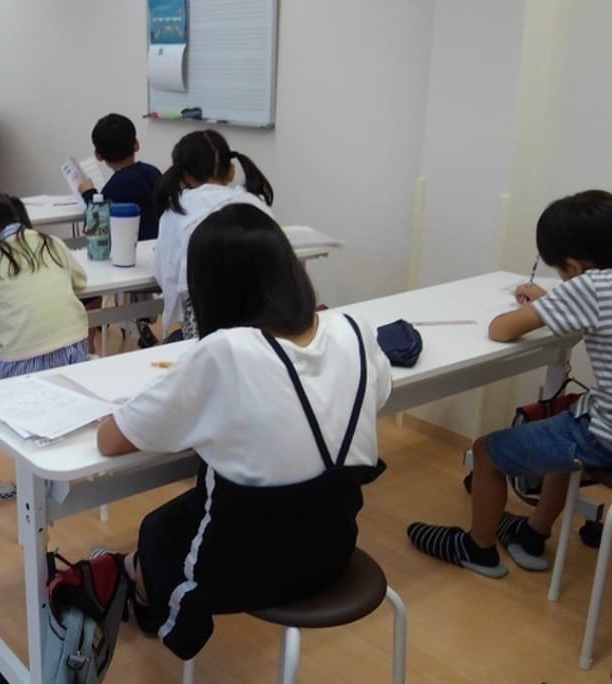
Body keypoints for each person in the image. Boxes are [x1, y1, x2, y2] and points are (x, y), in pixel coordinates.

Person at [95, 203, 392, 660]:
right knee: (176, 519)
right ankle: (141, 583)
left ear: (212, 286)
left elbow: (112, 440)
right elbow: (380, 394)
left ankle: (146, 598)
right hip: (332, 547)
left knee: (156, 530)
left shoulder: (225, 352)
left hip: (250, 566)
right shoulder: (355, 329)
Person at [407, 189, 612, 578]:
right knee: (565, 420)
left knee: (486, 451)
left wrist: (549, 300)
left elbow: (502, 329)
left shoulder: (590, 289)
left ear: (575, 267)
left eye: (562, 272)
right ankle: (532, 534)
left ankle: (477, 549)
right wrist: (558, 297)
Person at [0, 192, 89, 499]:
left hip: (27, 363)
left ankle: (12, 423)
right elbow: (81, 282)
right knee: (4, 340)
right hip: (76, 352)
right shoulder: (51, 242)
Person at [153, 129, 274, 340]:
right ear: (231, 171)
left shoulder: (177, 211)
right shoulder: (255, 203)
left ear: (184, 176)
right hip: (264, 332)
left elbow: (165, 274)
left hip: (203, 335)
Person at [77, 113, 162, 349]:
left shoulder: (115, 187)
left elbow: (99, 220)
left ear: (98, 155)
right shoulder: (153, 173)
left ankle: (88, 342)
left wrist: (88, 194)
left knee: (86, 281)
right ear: (136, 144)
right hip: (157, 255)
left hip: (127, 261)